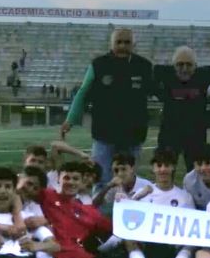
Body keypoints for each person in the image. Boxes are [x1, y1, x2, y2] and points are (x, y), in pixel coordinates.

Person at [35, 161, 171, 258]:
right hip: (50, 253)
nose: (70, 182)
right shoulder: (47, 195)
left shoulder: (86, 211)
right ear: (58, 179)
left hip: (79, 257)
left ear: (81, 182)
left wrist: (128, 207)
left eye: (75, 179)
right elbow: (24, 189)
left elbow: (118, 227)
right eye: (66, 178)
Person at [61, 28, 154, 187]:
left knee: (130, 181)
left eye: (127, 42)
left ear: (134, 44)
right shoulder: (98, 65)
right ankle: (101, 203)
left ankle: (127, 203)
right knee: (101, 179)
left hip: (134, 134)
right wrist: (70, 119)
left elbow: (156, 90)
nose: (122, 46)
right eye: (119, 42)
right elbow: (83, 92)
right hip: (104, 134)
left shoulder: (144, 66)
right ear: (111, 44)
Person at [122, 148, 196, 258]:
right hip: (148, 245)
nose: (163, 170)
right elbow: (129, 218)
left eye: (166, 165)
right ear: (153, 168)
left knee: (193, 241)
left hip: (173, 246)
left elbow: (193, 225)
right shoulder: (143, 193)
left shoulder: (184, 196)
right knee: (127, 237)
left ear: (173, 167)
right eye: (159, 165)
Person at [154, 46, 210, 172]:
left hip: (195, 134)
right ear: (173, 66)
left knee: (196, 174)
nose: (184, 68)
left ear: (196, 66)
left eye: (189, 64)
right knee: (164, 171)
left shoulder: (204, 75)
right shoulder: (165, 74)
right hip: (169, 133)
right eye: (180, 64)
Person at [182, 144, 210, 210]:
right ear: (194, 165)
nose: (203, 168)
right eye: (199, 164)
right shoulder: (189, 180)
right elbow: (187, 207)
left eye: (208, 163)